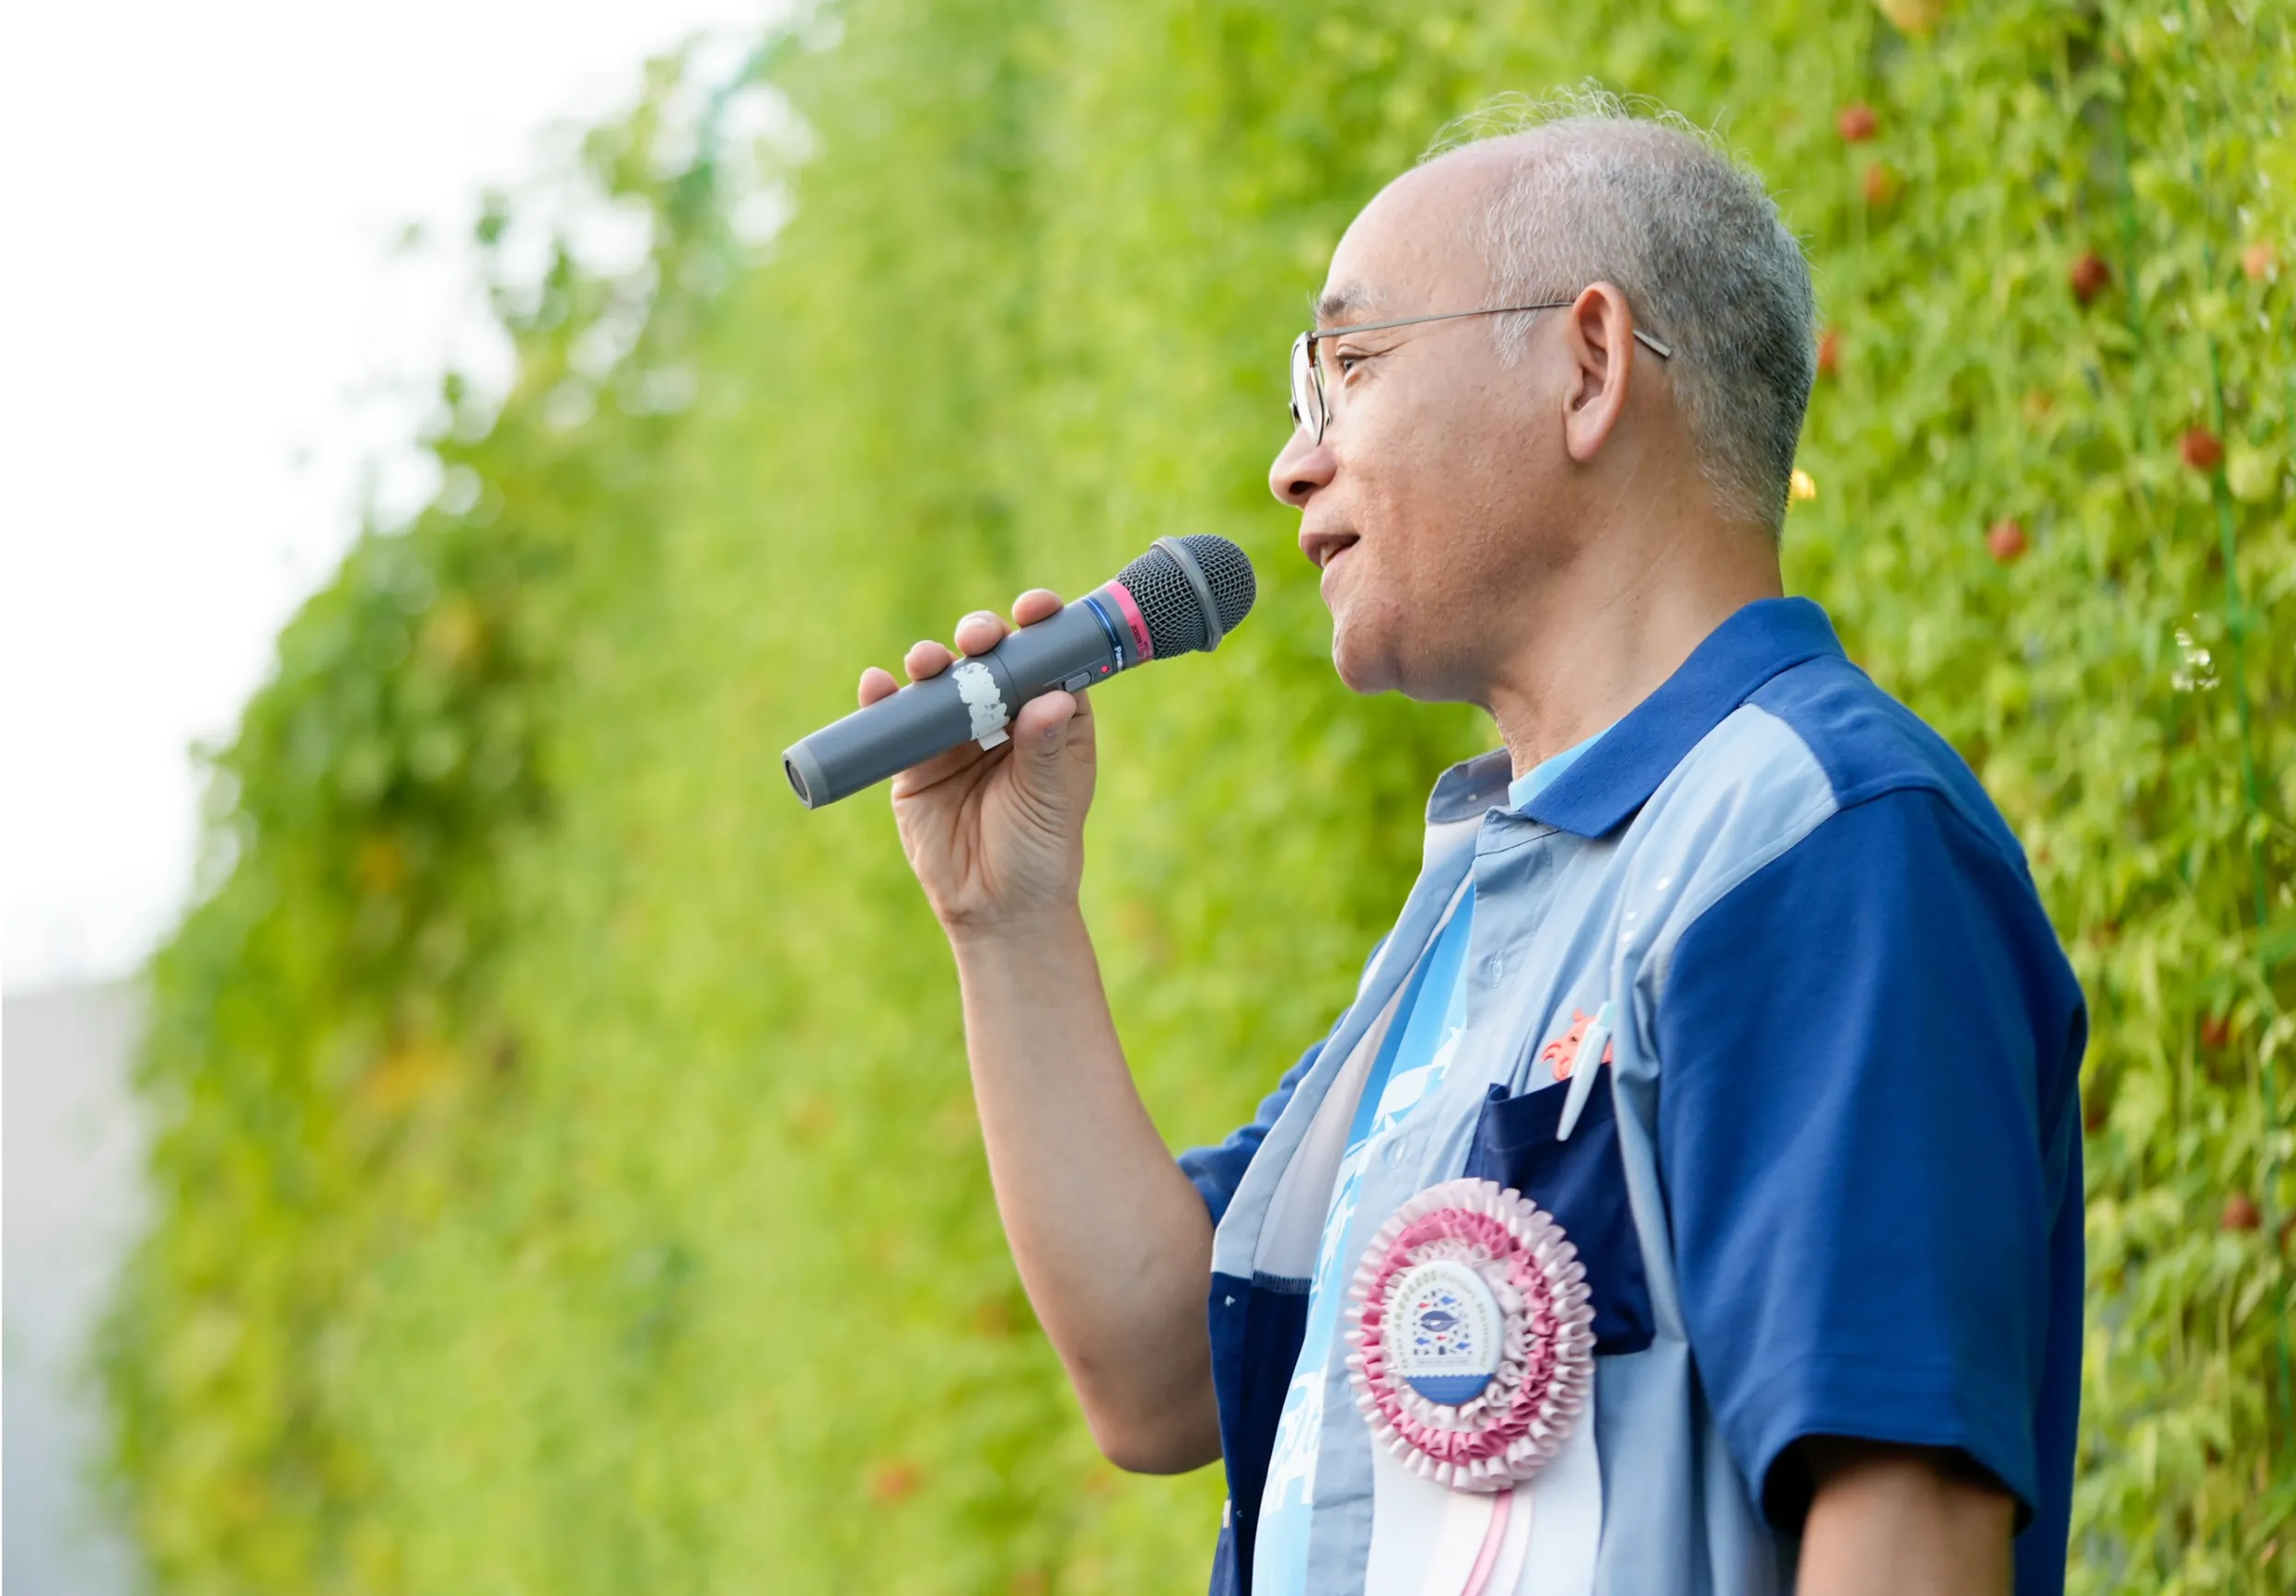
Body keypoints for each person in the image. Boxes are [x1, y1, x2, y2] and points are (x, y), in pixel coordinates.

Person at [857, 87, 2086, 1596]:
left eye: (1349, 369)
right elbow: (1162, 1372)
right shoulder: (1490, 900)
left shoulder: (1812, 840)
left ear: (1587, 364)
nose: (1288, 469)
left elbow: (1906, 1531)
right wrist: (1008, 918)